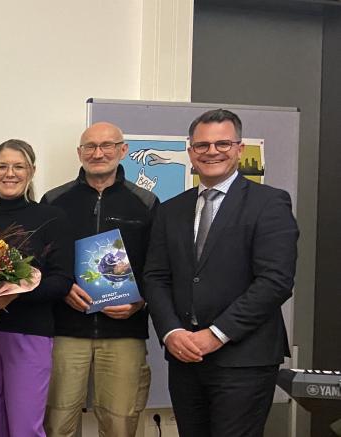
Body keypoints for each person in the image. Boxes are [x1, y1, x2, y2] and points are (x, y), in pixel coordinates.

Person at [143, 109, 298, 437]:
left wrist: (216, 334)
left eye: (222, 143)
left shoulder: (269, 203)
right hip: (185, 358)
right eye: (202, 145)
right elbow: (156, 276)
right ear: (190, 152)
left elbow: (276, 281)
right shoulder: (171, 210)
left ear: (240, 149)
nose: (212, 151)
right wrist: (171, 332)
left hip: (245, 360)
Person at [41, 122, 157, 437]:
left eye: (107, 145)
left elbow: (157, 265)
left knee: (121, 424)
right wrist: (62, 288)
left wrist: (140, 299)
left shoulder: (146, 203)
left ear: (123, 150)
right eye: (90, 146)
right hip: (66, 331)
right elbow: (39, 262)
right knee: (57, 425)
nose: (98, 153)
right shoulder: (54, 201)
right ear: (80, 153)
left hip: (124, 331)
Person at [0, 139, 73, 437]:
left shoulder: (53, 217)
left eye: (18, 166)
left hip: (29, 333)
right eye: (3, 166)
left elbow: (61, 281)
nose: (10, 173)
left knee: (25, 426)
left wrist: (11, 295)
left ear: (31, 171)